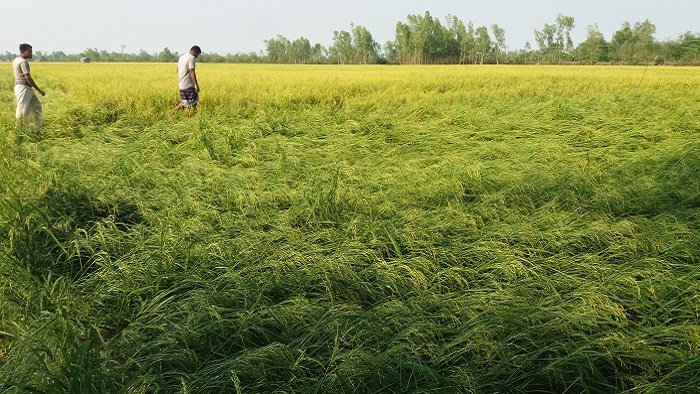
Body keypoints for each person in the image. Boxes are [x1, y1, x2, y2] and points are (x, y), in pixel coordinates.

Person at [13, 43, 45, 131]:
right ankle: (19, 130)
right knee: (23, 109)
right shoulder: (23, 61)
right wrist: (39, 90)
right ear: (23, 51)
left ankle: (36, 129)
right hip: (23, 88)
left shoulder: (16, 60)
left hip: (23, 87)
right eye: (29, 52)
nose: (31, 54)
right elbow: (27, 77)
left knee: (36, 107)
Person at [173, 45, 201, 115]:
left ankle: (191, 116)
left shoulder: (181, 57)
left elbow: (177, 70)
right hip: (188, 85)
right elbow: (192, 72)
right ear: (195, 52)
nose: (197, 56)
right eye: (197, 54)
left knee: (190, 101)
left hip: (182, 83)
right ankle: (172, 112)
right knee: (189, 102)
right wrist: (196, 85)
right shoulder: (191, 58)